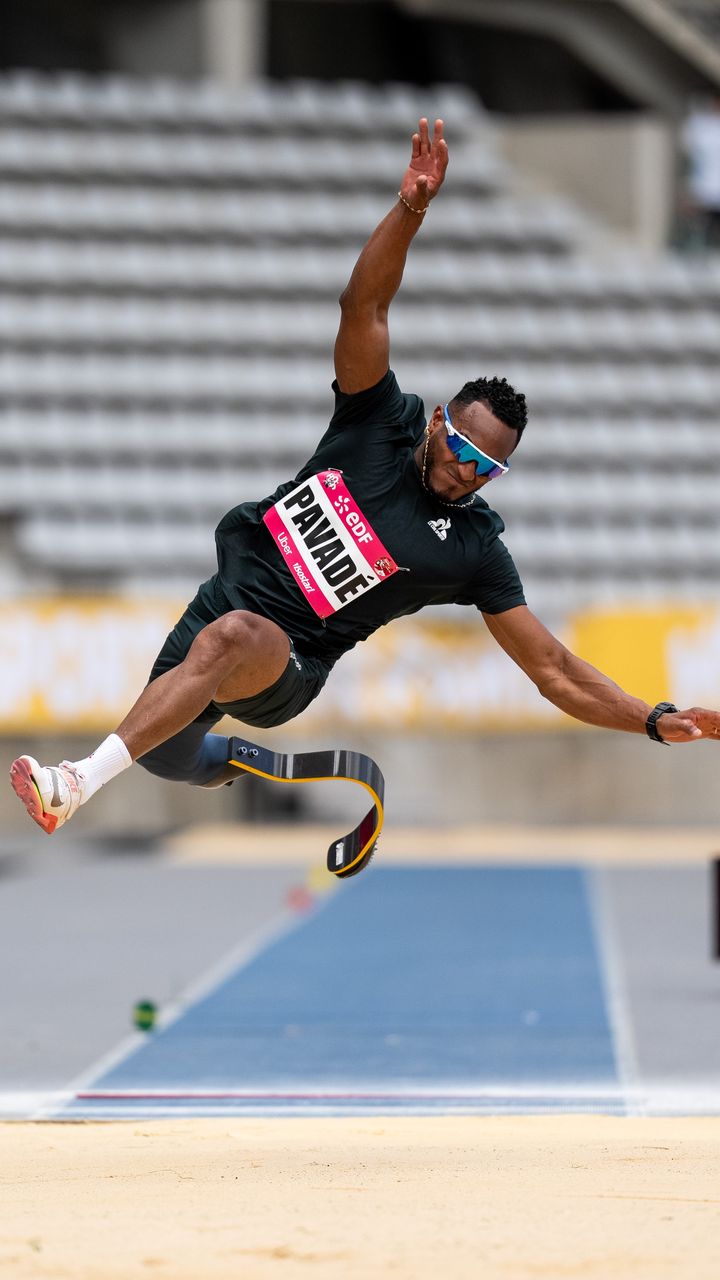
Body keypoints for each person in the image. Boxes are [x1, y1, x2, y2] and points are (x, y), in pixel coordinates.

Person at [10, 118, 720, 833]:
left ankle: (71, 782)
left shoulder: (470, 550)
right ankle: (226, 760)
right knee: (166, 751)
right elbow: (364, 307)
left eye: (487, 469)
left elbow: (555, 671)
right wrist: (411, 208)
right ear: (439, 421)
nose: (466, 473)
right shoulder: (376, 422)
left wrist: (652, 719)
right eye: (463, 451)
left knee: (230, 640)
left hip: (285, 664)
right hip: (218, 602)